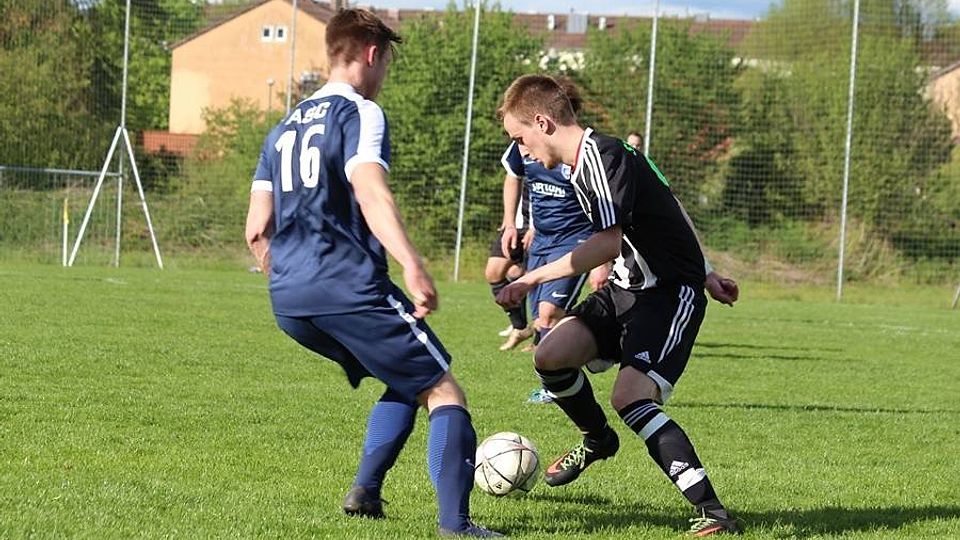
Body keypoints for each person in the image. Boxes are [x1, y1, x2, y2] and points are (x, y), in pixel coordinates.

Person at [244, 9, 500, 538]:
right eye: (386, 63)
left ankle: (365, 491)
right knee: (443, 389)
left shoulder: (282, 129)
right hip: (347, 287)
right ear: (371, 53)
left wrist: (289, 276)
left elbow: (256, 229)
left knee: (404, 378)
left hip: (288, 301)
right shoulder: (360, 113)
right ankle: (456, 526)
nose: (383, 75)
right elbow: (370, 190)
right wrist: (412, 262)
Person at [495, 74, 742, 536]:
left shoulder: (604, 158)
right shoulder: (588, 162)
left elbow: (608, 243)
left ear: (543, 123)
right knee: (550, 355)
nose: (521, 151)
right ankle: (597, 439)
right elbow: (670, 205)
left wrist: (530, 277)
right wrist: (710, 269)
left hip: (667, 295)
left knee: (629, 397)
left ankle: (715, 513)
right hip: (625, 289)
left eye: (519, 138)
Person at [498, 78, 609, 361]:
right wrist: (516, 224)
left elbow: (606, 212)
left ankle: (579, 352)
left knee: (548, 313)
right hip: (541, 238)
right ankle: (555, 353)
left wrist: (602, 262)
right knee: (541, 316)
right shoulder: (524, 148)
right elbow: (515, 179)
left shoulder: (585, 157)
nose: (522, 148)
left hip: (574, 239)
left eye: (520, 139)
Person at [485, 176, 534, 351]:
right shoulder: (516, 159)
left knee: (534, 278)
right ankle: (519, 326)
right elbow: (512, 178)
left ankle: (541, 337)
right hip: (515, 225)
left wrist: (535, 226)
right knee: (494, 272)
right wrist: (508, 219)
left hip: (539, 225)